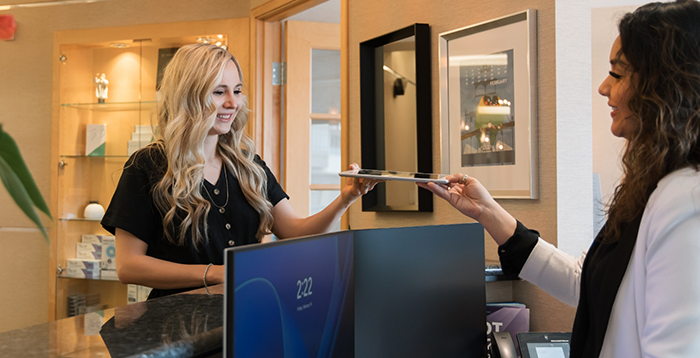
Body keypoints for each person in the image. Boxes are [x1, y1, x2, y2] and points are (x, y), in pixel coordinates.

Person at [420, 1, 700, 357]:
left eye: (617, 74)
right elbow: (584, 282)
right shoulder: (651, 188)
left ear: (666, 86)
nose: (603, 88)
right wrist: (488, 212)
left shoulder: (687, 199)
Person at [101, 43, 380, 299]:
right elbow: (129, 267)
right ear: (189, 95)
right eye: (219, 92)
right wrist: (216, 273)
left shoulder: (248, 165)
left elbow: (296, 233)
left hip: (248, 312)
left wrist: (347, 197)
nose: (233, 103)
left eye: (236, 91)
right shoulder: (147, 166)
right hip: (176, 326)